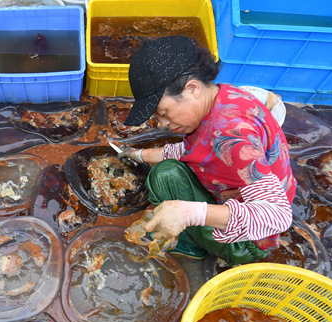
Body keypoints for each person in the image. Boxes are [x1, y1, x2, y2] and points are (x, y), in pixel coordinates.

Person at [118, 35, 297, 266]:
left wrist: (189, 213)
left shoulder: (231, 135)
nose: (162, 124)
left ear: (192, 88)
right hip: (237, 196)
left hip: (250, 241)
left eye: (163, 113)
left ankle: (193, 245)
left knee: (164, 177)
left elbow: (278, 217)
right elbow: (197, 148)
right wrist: (140, 155)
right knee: (166, 166)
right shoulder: (222, 97)